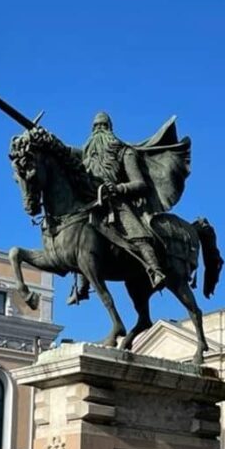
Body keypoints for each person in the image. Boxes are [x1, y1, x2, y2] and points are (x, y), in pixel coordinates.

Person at [66, 112, 166, 305]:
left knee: (137, 234)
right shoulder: (88, 153)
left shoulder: (125, 152)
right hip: (92, 202)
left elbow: (140, 183)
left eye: (102, 126)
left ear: (110, 128)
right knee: (77, 236)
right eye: (95, 127)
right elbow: (64, 150)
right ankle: (83, 287)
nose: (98, 131)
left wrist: (118, 188)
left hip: (118, 202)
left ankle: (155, 270)